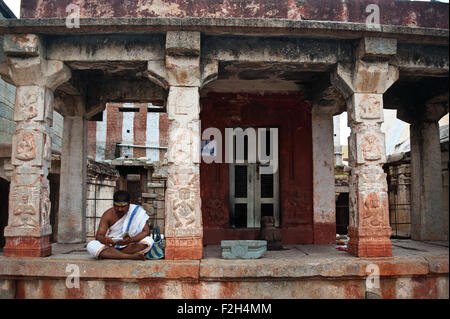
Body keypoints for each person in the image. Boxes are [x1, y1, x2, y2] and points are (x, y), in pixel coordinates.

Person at [87, 190, 154, 260]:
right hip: (112, 245)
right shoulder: (108, 214)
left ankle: (112, 254)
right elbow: (99, 236)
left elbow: (146, 232)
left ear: (129, 204)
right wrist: (107, 241)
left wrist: (130, 240)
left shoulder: (137, 211)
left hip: (131, 244)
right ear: (113, 204)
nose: (119, 209)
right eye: (117, 206)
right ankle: (129, 256)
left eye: (123, 206)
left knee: (149, 241)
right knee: (91, 245)